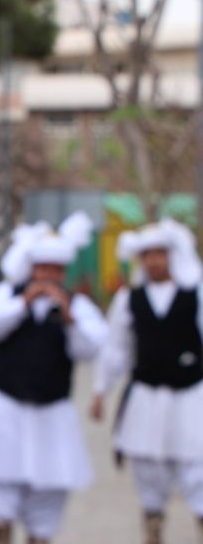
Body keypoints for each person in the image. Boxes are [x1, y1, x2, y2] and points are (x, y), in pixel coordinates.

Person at [0, 212, 108, 544]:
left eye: (55, 271)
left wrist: (70, 320)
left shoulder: (77, 305)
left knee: (48, 494)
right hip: (5, 408)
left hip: (52, 413)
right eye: (43, 269)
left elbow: (94, 347)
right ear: (32, 269)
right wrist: (22, 303)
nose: (49, 277)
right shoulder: (7, 294)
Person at [91, 219, 203, 544]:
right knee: (148, 471)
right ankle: (153, 533)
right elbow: (116, 349)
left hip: (191, 397)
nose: (154, 261)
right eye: (148, 255)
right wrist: (100, 391)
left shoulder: (194, 293)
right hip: (147, 398)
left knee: (197, 469)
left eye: (160, 254)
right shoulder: (130, 299)